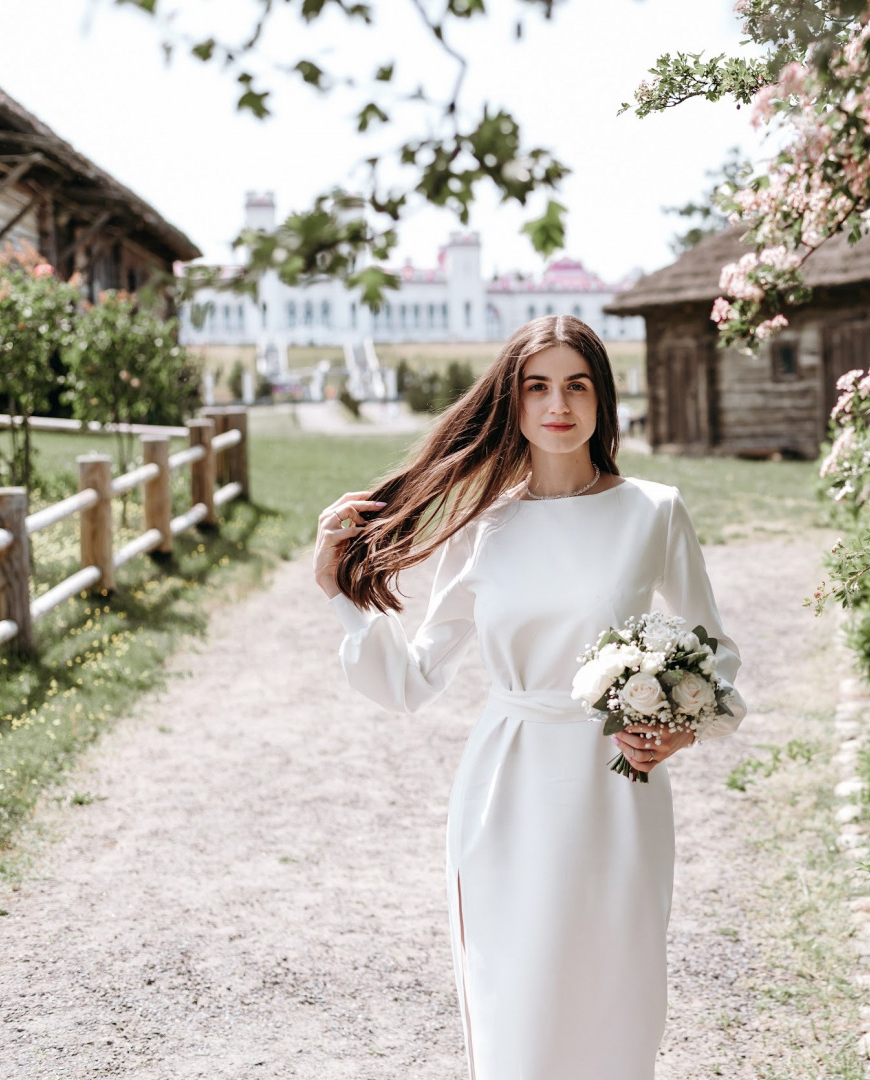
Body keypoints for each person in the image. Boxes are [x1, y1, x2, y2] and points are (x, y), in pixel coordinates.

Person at [311, 315, 745, 1079]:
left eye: (577, 385)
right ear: (510, 403)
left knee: (617, 995)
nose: (558, 405)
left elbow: (719, 658)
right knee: (515, 999)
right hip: (506, 789)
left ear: (602, 399)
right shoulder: (486, 528)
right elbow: (413, 681)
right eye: (536, 386)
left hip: (617, 787)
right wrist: (339, 592)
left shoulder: (653, 510)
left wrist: (681, 727)